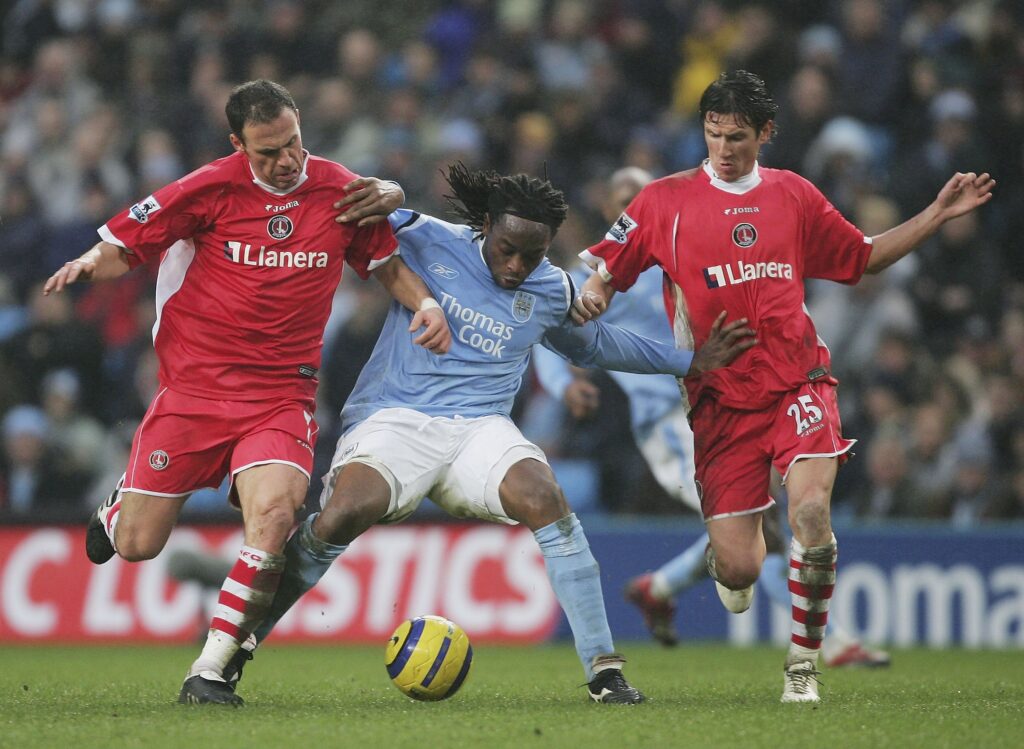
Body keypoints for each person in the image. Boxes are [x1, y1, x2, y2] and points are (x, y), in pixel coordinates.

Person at [218, 163, 756, 705]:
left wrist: (687, 360)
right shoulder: (425, 236)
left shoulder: (550, 288)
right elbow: (351, 212)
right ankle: (239, 645)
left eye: (534, 254)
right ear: (487, 226)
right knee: (343, 513)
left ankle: (603, 670)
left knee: (546, 498)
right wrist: (389, 190)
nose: (518, 265)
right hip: (396, 417)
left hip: (480, 428)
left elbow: (594, 346)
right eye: (507, 248)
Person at [573, 70, 994, 703]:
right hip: (718, 403)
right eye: (713, 135)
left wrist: (936, 213)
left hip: (799, 381)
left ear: (766, 133)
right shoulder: (664, 201)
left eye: (737, 137)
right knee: (739, 569)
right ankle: (730, 564)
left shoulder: (793, 195)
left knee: (810, 512)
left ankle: (802, 667)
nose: (722, 149)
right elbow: (604, 270)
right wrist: (595, 298)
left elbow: (862, 258)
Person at [41, 79, 452, 707]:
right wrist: (87, 264)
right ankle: (119, 507)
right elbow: (128, 246)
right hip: (194, 391)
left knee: (277, 516)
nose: (287, 161)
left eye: (293, 143)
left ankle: (211, 668)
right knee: (137, 545)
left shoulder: (339, 190)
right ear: (239, 145)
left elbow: (385, 265)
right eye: (268, 152)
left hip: (281, 396)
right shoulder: (209, 187)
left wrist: (425, 303)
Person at [536, 166, 889, 667]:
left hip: (732, 403)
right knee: (760, 526)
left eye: (640, 194)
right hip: (670, 423)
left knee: (762, 522)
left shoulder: (699, 250)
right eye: (623, 199)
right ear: (614, 213)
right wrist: (564, 383)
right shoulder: (600, 281)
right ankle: (829, 643)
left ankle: (659, 588)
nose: (635, 203)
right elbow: (548, 334)